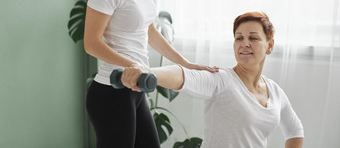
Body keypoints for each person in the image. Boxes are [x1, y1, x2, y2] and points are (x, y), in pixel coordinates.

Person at [84, 0, 218, 148]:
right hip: (112, 90)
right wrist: (131, 64)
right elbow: (91, 43)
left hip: (135, 88)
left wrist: (185, 63)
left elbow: (149, 31)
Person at [121, 12, 305, 148]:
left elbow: (295, 131)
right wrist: (146, 72)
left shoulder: (275, 91)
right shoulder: (222, 79)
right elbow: (183, 75)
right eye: (239, 38)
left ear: (269, 46)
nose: (244, 43)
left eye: (253, 38)